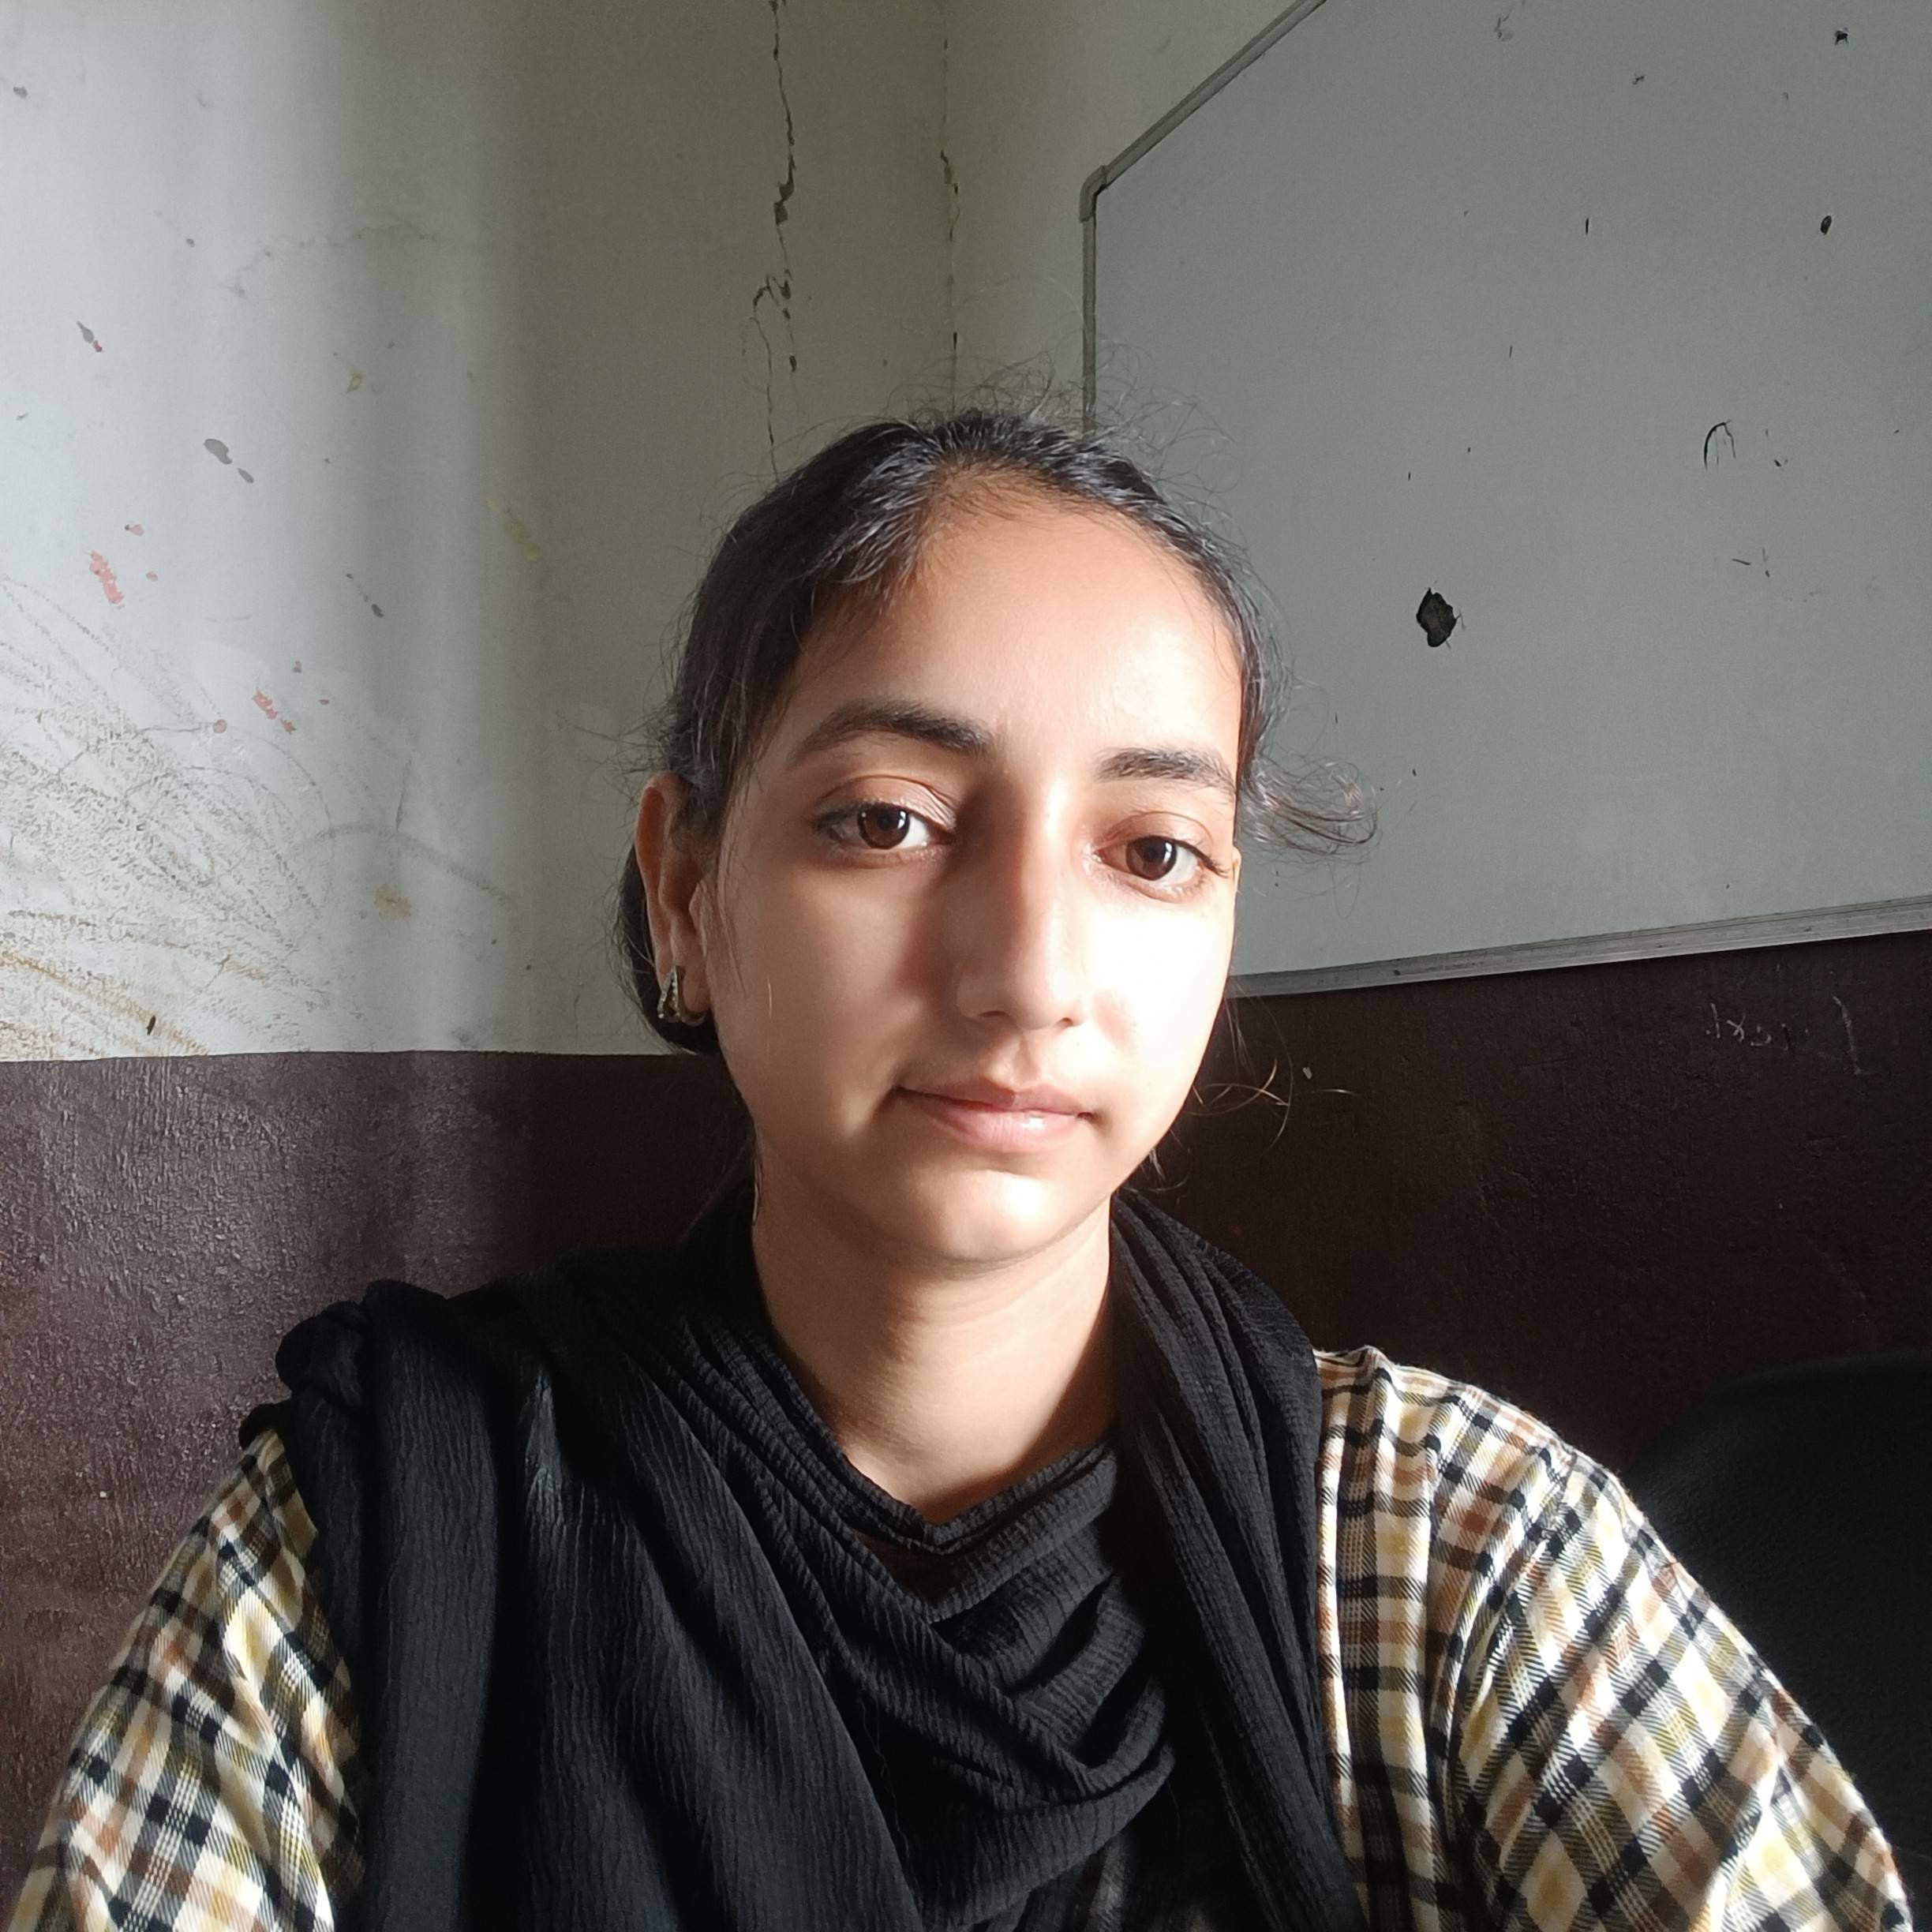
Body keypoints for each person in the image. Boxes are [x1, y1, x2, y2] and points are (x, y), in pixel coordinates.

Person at [7, 408, 1911, 1931]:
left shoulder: (1447, 1549)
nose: (1027, 974)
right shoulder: (377, 1545)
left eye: (1152, 851)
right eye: (890, 820)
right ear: (683, 894)